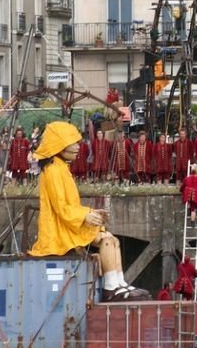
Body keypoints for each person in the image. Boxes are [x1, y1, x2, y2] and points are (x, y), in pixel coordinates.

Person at [28, 121, 149, 302]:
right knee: (106, 241)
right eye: (73, 143)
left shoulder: (61, 168)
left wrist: (92, 212)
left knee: (112, 239)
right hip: (60, 229)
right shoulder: (53, 170)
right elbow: (61, 208)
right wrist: (85, 215)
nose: (78, 147)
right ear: (59, 145)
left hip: (69, 221)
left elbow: (69, 206)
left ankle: (119, 281)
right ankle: (110, 287)